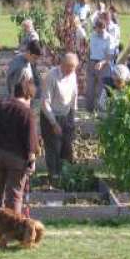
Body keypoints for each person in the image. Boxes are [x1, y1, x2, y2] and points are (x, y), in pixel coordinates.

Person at [0, 78, 39, 216]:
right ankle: (11, 229)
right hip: (16, 157)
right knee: (14, 194)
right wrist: (32, 162)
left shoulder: (0, 105)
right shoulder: (27, 113)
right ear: (29, 95)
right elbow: (31, 140)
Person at [41, 53, 79, 182]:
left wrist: (72, 117)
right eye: (69, 67)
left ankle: (64, 175)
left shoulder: (72, 75)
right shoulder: (51, 76)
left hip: (66, 115)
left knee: (66, 146)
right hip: (51, 116)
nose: (72, 71)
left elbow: (74, 95)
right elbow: (45, 102)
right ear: (62, 65)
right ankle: (54, 176)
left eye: (74, 68)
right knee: (53, 148)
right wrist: (53, 123)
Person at [85, 20, 113, 112]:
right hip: (92, 62)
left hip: (103, 64)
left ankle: (100, 111)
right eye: (97, 30)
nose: (98, 32)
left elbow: (110, 56)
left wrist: (102, 63)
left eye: (100, 30)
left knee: (101, 89)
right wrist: (88, 61)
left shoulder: (109, 38)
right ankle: (89, 109)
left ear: (104, 28)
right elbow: (90, 49)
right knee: (90, 88)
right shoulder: (93, 35)